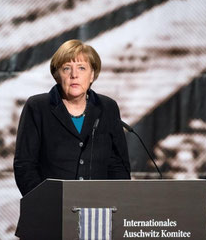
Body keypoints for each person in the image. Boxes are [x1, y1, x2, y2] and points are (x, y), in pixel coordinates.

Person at [14, 39, 131, 196]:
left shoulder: (107, 107)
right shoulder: (37, 107)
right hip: (50, 210)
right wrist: (43, 202)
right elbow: (25, 166)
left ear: (92, 75)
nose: (74, 75)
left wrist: (117, 203)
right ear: (57, 75)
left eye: (82, 68)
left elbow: (118, 165)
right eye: (67, 68)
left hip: (99, 209)